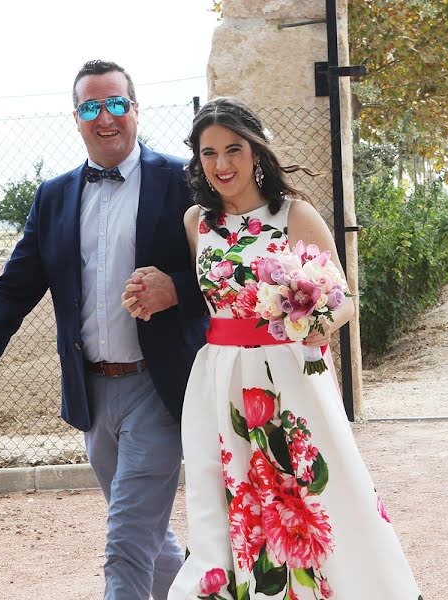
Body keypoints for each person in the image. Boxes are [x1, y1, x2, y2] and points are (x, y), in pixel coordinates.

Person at [128, 97, 421, 598]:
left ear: (256, 152)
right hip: (219, 378)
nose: (221, 164)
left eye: (233, 150)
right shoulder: (196, 223)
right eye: (209, 153)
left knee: (309, 493)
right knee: (231, 497)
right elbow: (208, 297)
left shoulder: (294, 215)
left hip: (288, 377)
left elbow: (345, 298)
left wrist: (318, 324)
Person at [0, 60, 207, 599]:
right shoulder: (54, 196)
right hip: (92, 393)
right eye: (91, 107)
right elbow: (15, 288)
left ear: (136, 110)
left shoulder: (183, 182)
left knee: (126, 543)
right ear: (76, 118)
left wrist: (176, 288)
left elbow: (227, 272)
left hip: (159, 388)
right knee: (150, 542)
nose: (105, 118)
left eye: (116, 104)